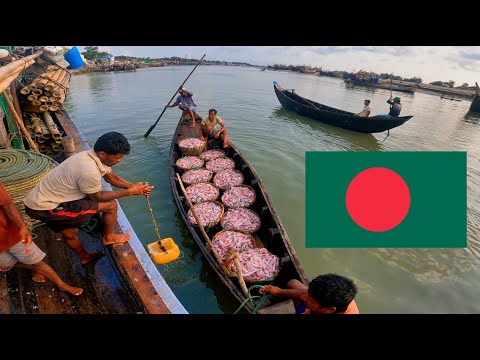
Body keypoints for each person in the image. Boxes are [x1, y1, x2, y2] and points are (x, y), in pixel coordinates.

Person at [24, 132, 154, 265]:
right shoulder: (89, 170)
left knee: (69, 233)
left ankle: (84, 256)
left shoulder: (90, 156)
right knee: (111, 206)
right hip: (46, 207)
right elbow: (96, 197)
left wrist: (134, 187)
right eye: (117, 158)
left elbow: (111, 178)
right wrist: (129, 192)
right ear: (103, 154)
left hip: (43, 200)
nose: (118, 161)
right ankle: (108, 237)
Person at [1, 182, 83, 296]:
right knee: (6, 264)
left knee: (37, 262)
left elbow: (8, 205)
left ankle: (61, 284)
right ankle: (32, 266)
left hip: (10, 235)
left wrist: (23, 228)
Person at [259, 273, 359, 314]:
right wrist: (279, 291)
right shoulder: (335, 295)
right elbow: (306, 294)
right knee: (293, 283)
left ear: (329, 310)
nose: (303, 297)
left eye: (310, 299)